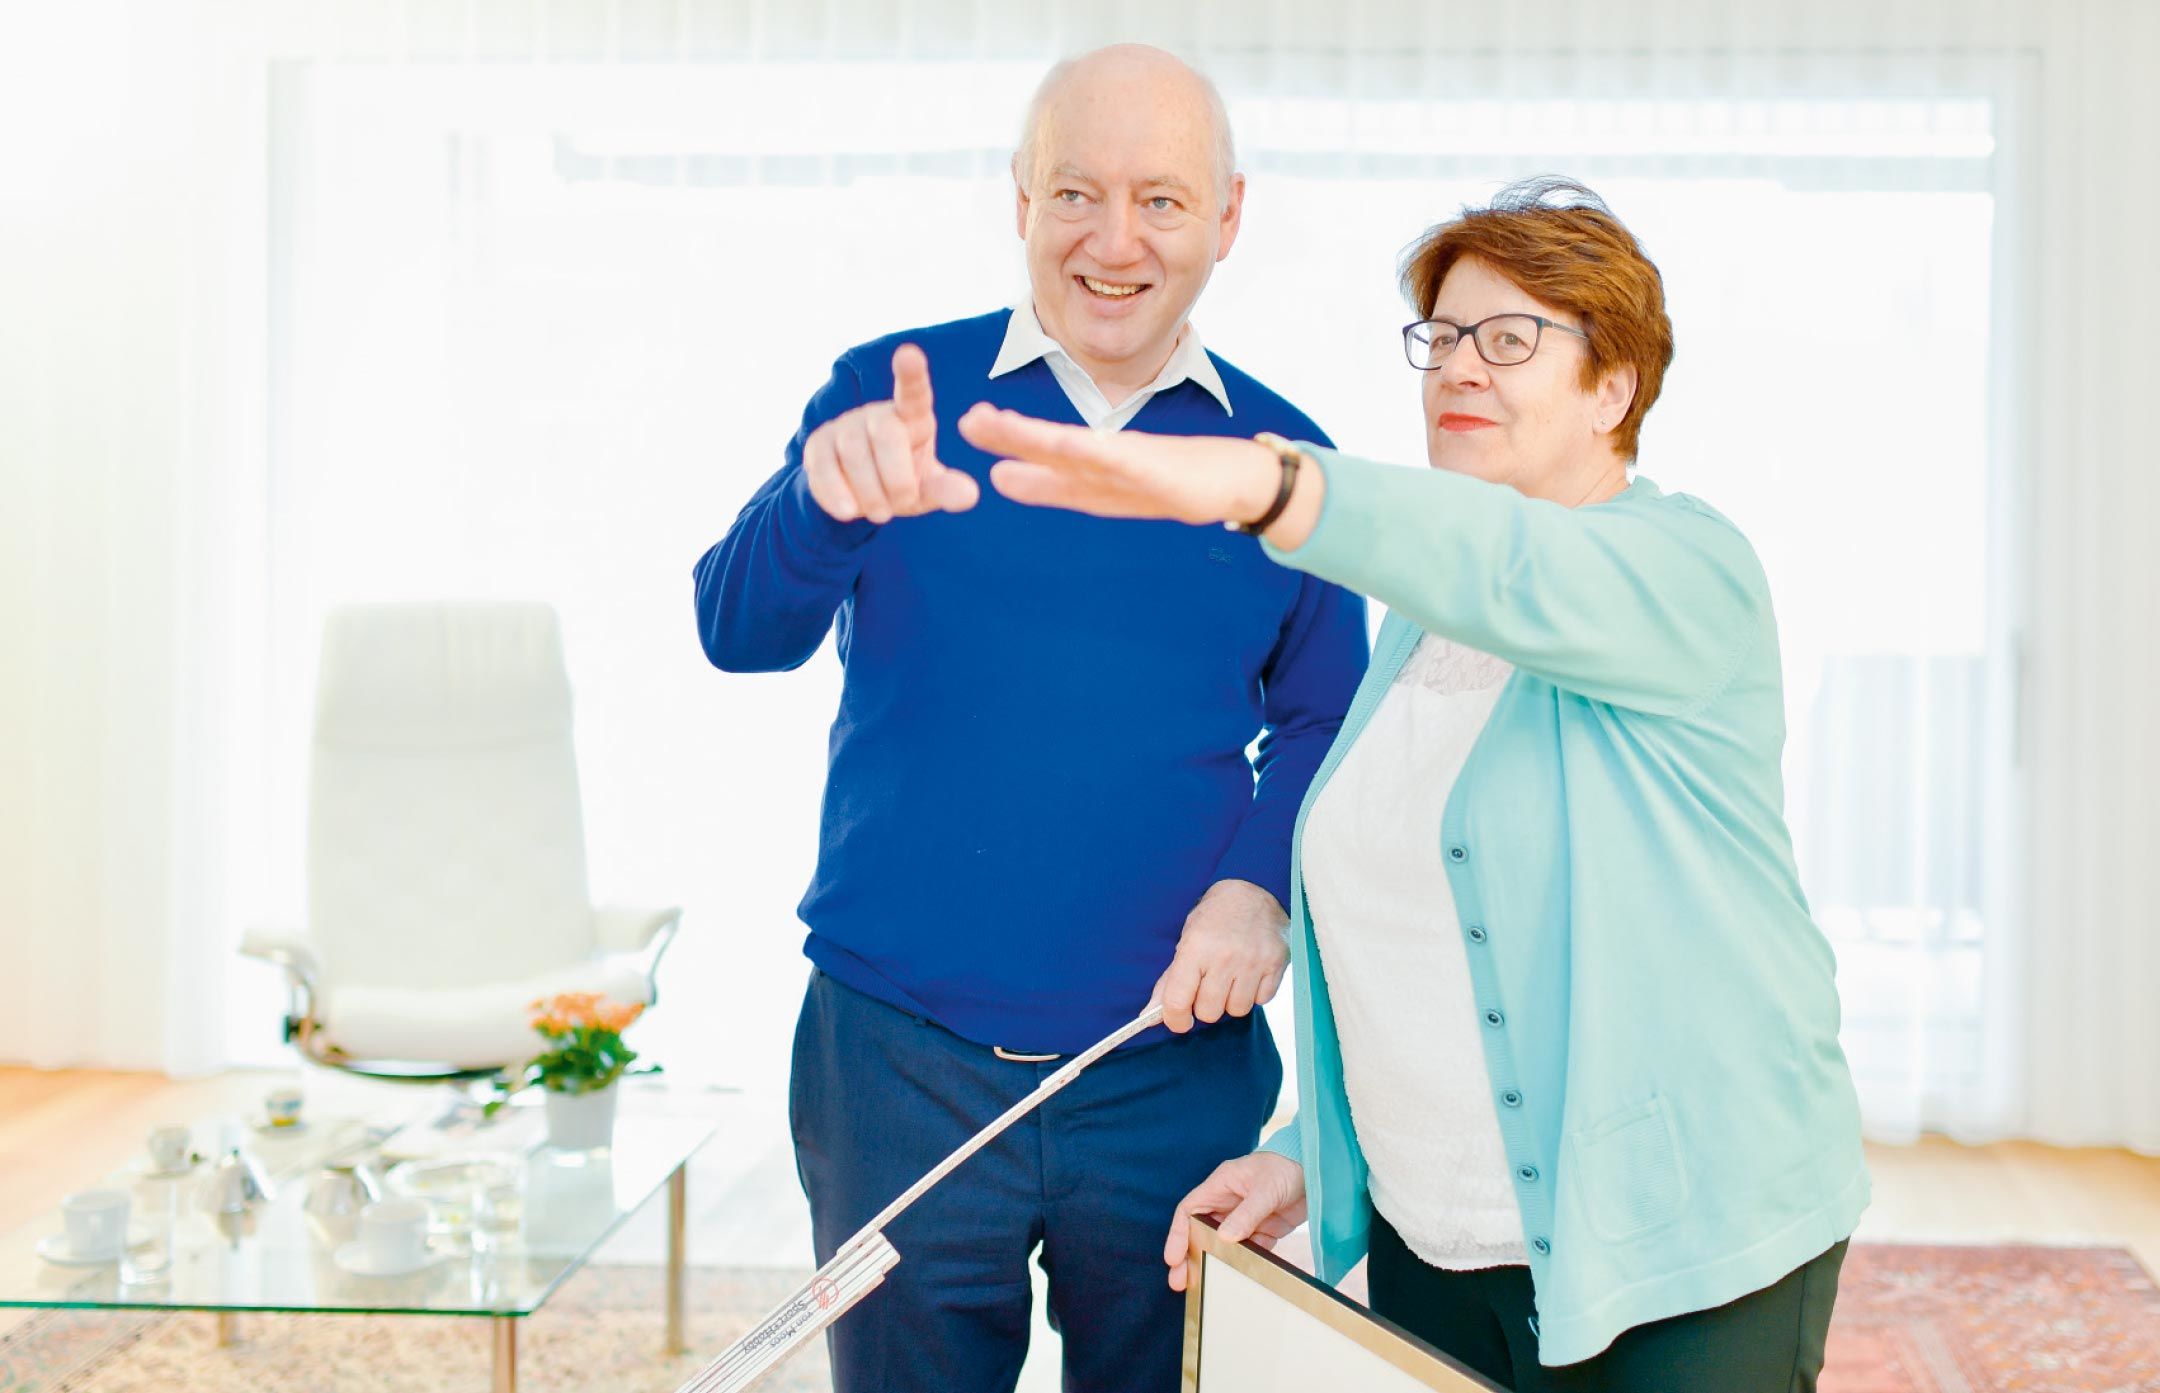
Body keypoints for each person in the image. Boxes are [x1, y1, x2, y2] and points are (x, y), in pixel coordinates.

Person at [956, 177, 1870, 1392]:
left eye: (1510, 340)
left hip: (1678, 1242)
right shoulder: (1418, 631)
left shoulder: (1686, 572)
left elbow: (1515, 567)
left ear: (1615, 385)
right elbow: (1411, 958)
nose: (1458, 371)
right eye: (1440, 339)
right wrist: (1304, 1158)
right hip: (1433, 1245)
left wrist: (1265, 486)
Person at [690, 44, 1367, 1393]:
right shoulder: (895, 400)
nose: (1115, 241)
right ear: (1020, 203)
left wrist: (1256, 891)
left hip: (1170, 1067)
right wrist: (820, 506)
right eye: (1077, 193)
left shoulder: (1286, 468)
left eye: (1163, 201)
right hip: (894, 1065)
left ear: (1228, 219)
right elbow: (737, 631)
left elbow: (1328, 723)